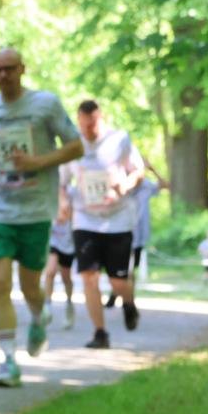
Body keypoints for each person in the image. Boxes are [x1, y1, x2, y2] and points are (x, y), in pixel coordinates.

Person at [0, 48, 83, 386]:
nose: (3, 75)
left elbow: (76, 146)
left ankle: (38, 316)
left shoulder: (45, 104)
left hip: (35, 211)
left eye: (9, 69)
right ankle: (8, 360)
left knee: (31, 285)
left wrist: (38, 162)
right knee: (0, 284)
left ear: (22, 69)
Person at [61, 100, 144, 349]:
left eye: (92, 125)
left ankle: (128, 303)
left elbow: (138, 172)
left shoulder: (119, 140)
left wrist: (125, 185)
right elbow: (61, 183)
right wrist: (62, 203)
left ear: (100, 119)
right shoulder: (72, 146)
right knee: (89, 277)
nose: (88, 130)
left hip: (118, 220)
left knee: (118, 281)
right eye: (83, 125)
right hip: (85, 220)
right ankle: (100, 332)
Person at [106, 160, 168, 308]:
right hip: (120, 231)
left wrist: (153, 169)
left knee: (130, 268)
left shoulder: (146, 185)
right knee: (122, 268)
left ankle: (125, 298)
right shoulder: (120, 184)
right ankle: (123, 298)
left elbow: (165, 185)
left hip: (138, 235)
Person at [43, 188, 76, 330]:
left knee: (66, 278)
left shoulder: (72, 195)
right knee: (50, 272)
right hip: (53, 242)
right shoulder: (48, 195)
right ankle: (47, 307)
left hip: (68, 244)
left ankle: (69, 303)